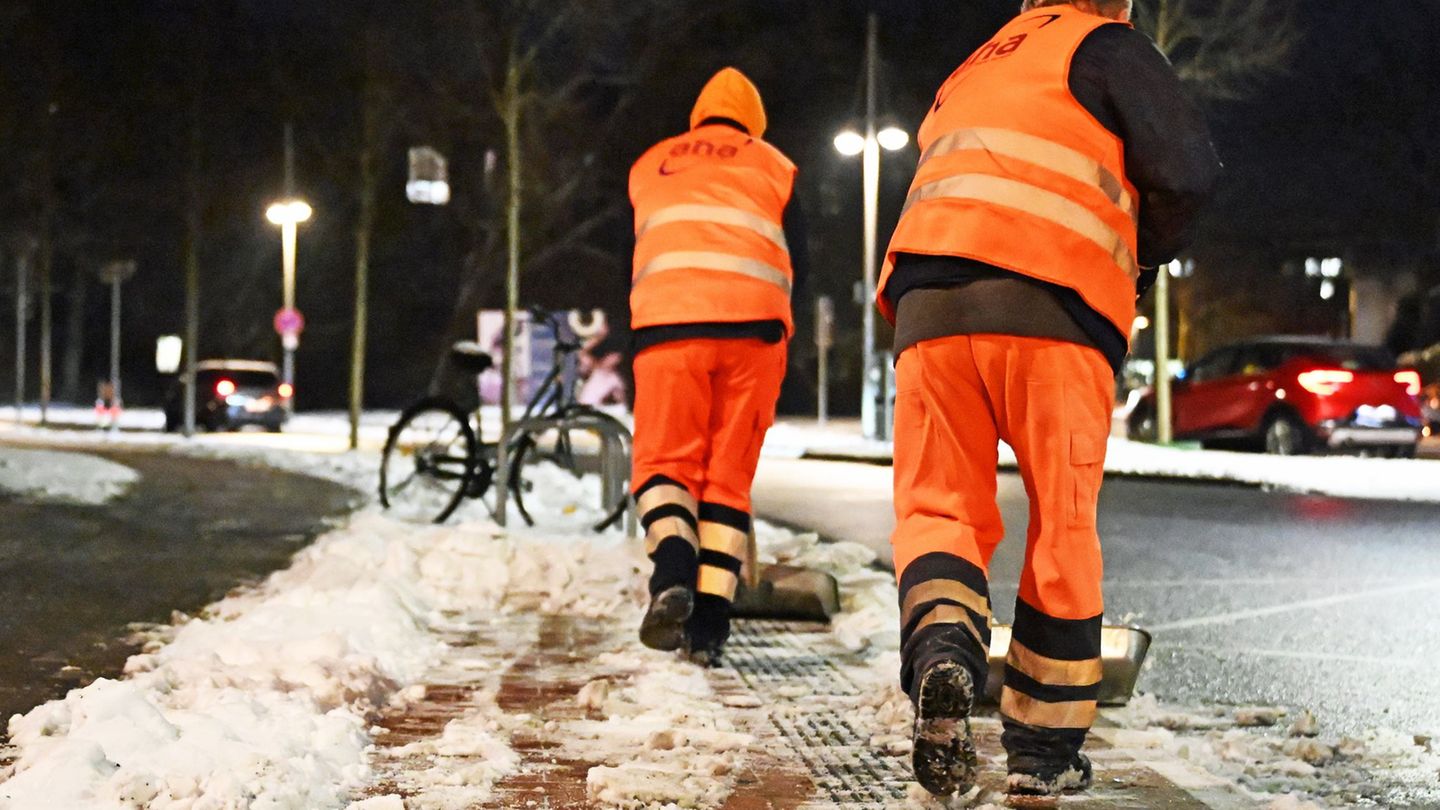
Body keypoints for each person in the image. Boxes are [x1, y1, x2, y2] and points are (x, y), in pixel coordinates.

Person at [877, 0, 1219, 797]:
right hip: (1051, 308)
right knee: (1062, 526)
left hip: (928, 308)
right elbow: (1188, 171)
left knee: (938, 511)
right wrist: (1144, 254)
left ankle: (943, 662)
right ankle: (1042, 752)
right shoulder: (1108, 46)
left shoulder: (977, 61)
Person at [627, 68, 808, 664]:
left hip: (667, 329)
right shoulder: (774, 166)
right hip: (754, 335)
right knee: (727, 482)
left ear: (697, 116)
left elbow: (639, 249)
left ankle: (672, 567)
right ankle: (709, 630)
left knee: (662, 467)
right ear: (753, 124)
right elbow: (797, 263)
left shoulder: (651, 163)